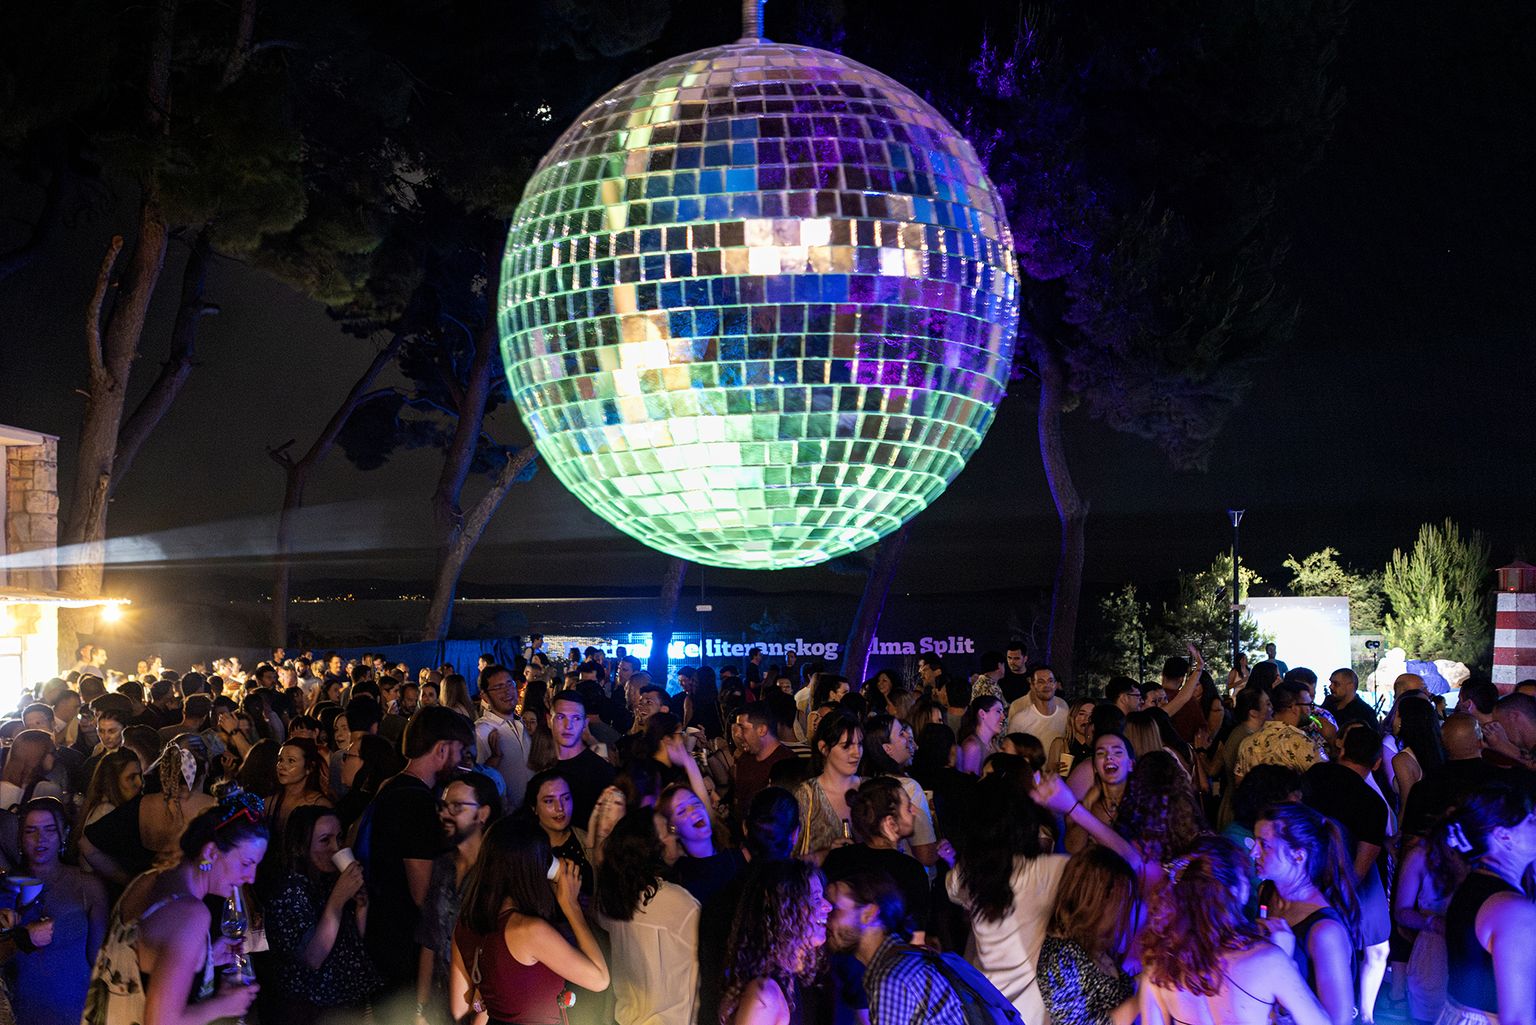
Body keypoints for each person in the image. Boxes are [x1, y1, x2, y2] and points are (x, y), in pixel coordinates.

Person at [947, 772, 1142, 1024]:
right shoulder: (1045, 872)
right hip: (1033, 1015)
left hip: (990, 1011)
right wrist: (1071, 807)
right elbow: (1130, 863)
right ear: (1026, 821)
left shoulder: (965, 874)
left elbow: (955, 889)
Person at [80, 784, 265, 1025]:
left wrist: (206, 958)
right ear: (210, 852)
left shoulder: (145, 880)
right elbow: (161, 1021)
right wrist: (224, 1005)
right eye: (247, 863)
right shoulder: (190, 914)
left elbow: (144, 963)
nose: (251, 877)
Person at [1139, 835, 1330, 1025]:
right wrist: (1286, 960)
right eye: (1245, 876)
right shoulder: (1268, 960)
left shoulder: (1159, 966)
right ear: (1235, 890)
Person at [450, 817, 610, 1025]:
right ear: (533, 868)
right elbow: (599, 979)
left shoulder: (466, 925)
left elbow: (461, 1008)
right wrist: (572, 907)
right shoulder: (529, 931)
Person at [363, 706, 471, 996]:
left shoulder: (391, 785)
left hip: (383, 932)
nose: (462, 761)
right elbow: (423, 894)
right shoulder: (416, 804)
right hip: (404, 945)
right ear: (442, 749)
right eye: (460, 751)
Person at [1303, 725, 1395, 1025]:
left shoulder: (1314, 775)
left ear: (1341, 750)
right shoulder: (1372, 803)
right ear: (1377, 763)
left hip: (1305, 875)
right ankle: (1365, 1014)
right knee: (1377, 949)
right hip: (1347, 882)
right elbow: (1361, 865)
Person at [263, 805, 380, 1024]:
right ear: (301, 846)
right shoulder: (289, 890)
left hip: (346, 1001)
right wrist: (337, 900)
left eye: (339, 837)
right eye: (325, 840)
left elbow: (351, 947)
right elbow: (313, 958)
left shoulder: (327, 880)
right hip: (311, 1009)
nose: (336, 848)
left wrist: (361, 907)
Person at [1434, 781, 1536, 1025]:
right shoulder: (1512, 910)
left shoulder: (1473, 886)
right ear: (1504, 836)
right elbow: (1518, 1019)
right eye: (1531, 821)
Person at [1254, 802, 1360, 1025]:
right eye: (1255, 842)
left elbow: (1339, 1021)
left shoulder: (1325, 932)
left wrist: (1284, 965)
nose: (1253, 852)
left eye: (1264, 845)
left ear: (1299, 856)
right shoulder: (1267, 892)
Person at [6, 798, 108, 1025]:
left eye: (49, 830)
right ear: (20, 837)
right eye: (31, 831)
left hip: (73, 1011)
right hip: (17, 1012)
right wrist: (22, 937)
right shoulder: (7, 887)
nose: (40, 839)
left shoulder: (88, 886)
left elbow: (99, 962)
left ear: (64, 833)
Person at [595, 808, 701, 1025]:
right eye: (667, 831)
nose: (675, 835)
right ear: (649, 848)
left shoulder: (613, 898)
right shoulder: (679, 903)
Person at [824, 871, 967, 1025]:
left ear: (868, 914)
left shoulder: (892, 978)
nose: (824, 916)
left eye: (834, 907)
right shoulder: (904, 962)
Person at [415, 771, 500, 1024]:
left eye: (456, 807)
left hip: (483, 1007)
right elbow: (429, 939)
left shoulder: (498, 871)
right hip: (441, 1000)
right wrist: (421, 1008)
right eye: (443, 806)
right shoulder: (443, 865)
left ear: (482, 814)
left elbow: (500, 957)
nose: (445, 814)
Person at [719, 859, 832, 1025]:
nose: (828, 906)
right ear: (785, 911)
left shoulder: (790, 981)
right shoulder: (764, 998)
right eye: (815, 899)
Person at [823, 776, 933, 944]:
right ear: (890, 823)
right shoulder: (910, 870)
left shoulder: (837, 858)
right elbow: (916, 939)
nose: (914, 811)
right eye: (908, 807)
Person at [1038, 846, 1138, 1025]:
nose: (1124, 910)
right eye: (1122, 900)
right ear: (1099, 899)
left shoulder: (1093, 943)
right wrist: (1141, 998)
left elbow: (1117, 994)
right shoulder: (1060, 957)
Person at [792, 711, 862, 863]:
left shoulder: (869, 789)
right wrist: (825, 854)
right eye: (846, 746)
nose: (856, 753)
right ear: (823, 748)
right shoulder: (807, 796)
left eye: (859, 744)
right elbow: (789, 858)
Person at [548, 690, 617, 825]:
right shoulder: (541, 764)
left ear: (585, 724)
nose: (568, 726)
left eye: (576, 718)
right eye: (561, 717)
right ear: (548, 720)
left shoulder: (601, 772)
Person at [476, 664, 533, 809]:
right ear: (485, 696)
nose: (507, 691)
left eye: (509, 684)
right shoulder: (482, 731)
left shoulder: (521, 723)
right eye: (498, 687)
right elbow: (477, 782)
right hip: (506, 816)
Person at [1066, 732, 1133, 855]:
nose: (1109, 757)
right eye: (1101, 753)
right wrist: (1087, 804)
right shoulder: (1082, 806)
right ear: (1095, 767)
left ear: (1130, 764)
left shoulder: (1141, 805)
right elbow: (1074, 849)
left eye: (1117, 752)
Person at [732, 704, 797, 820]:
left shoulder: (787, 763)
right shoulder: (744, 759)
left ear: (762, 730)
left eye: (743, 728)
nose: (737, 734)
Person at [267, 737, 332, 844]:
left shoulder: (320, 806)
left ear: (309, 767)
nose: (282, 766)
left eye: (291, 761)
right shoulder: (269, 804)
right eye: (280, 760)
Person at [1005, 666, 1069, 755]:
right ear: (1032, 686)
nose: (1046, 685)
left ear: (1055, 685)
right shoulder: (1020, 718)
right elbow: (1010, 749)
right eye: (1040, 682)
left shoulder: (1064, 712)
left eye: (1050, 681)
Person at [0, 728, 61, 809]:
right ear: (36, 755)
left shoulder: (5, 785)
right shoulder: (46, 789)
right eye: (53, 752)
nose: (56, 756)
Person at [957, 694, 1006, 775]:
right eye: (998, 711)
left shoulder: (993, 743)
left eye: (1003, 712)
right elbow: (969, 780)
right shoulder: (972, 747)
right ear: (982, 714)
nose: (1003, 717)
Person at [1048, 697, 1095, 778]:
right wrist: (1054, 771)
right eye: (1081, 714)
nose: (1087, 719)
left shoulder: (1098, 745)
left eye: (1091, 715)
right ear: (1072, 717)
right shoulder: (1060, 744)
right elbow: (1049, 776)